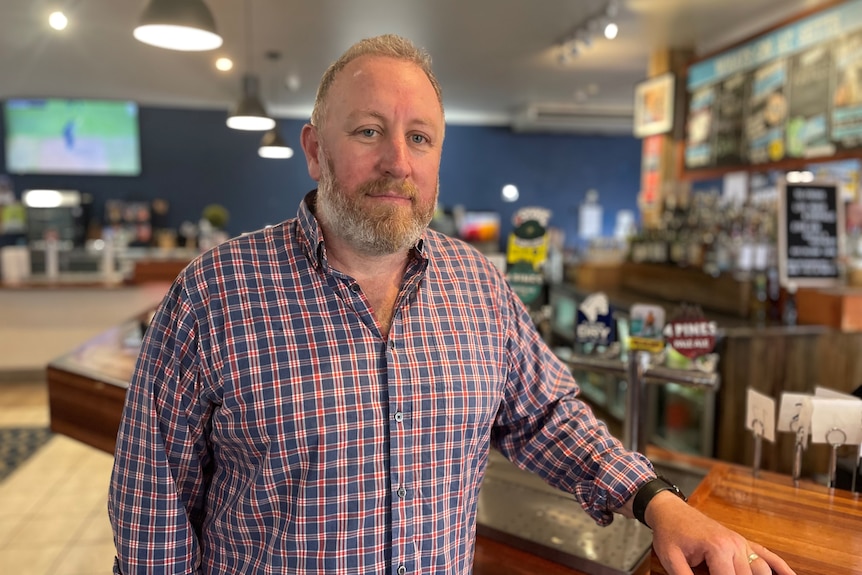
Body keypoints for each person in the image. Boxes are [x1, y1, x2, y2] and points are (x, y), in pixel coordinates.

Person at [108, 34, 795, 575]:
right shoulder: (214, 292)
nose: (397, 163)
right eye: (368, 131)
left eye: (419, 137)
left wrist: (658, 500)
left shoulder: (478, 286)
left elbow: (548, 415)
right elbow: (151, 502)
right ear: (315, 150)